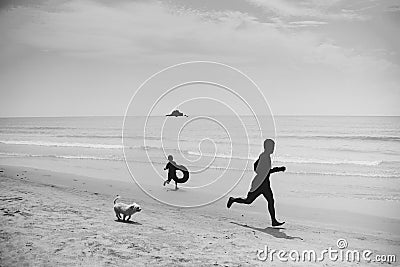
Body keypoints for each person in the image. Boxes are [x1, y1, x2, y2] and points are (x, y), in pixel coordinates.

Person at [227, 139, 286, 227]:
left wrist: (271, 171)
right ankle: (233, 199)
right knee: (248, 201)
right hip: (259, 184)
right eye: (272, 147)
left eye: (274, 146)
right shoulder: (264, 156)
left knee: (271, 201)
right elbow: (261, 170)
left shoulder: (265, 156)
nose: (273, 148)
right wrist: (278, 169)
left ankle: (274, 221)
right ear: (267, 147)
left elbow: (257, 167)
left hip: (265, 184)